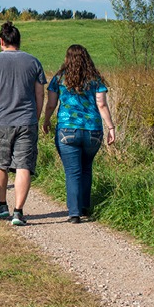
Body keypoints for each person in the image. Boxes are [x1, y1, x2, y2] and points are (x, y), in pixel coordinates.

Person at [0, 22, 46, 226]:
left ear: (1, 41)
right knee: (23, 165)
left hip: (0, 119)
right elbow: (40, 92)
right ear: (18, 41)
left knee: (0, 163)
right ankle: (18, 211)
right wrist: (37, 114)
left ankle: (2, 205)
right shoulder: (33, 62)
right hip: (27, 120)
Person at [42, 45, 117, 223]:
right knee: (86, 168)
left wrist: (45, 120)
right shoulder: (95, 79)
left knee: (72, 171)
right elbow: (102, 105)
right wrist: (111, 127)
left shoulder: (59, 78)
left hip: (67, 130)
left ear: (67, 58)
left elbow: (51, 104)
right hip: (93, 130)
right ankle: (84, 206)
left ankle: (74, 212)